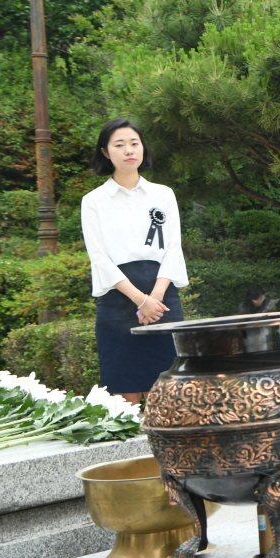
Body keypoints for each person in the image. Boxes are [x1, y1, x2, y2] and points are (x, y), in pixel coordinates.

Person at [81, 118, 188, 404]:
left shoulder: (163, 194)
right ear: (106, 152)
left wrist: (154, 297)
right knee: (123, 389)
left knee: (169, 391)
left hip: (162, 297)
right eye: (119, 145)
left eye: (134, 143)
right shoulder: (94, 201)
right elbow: (99, 258)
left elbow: (173, 248)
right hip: (118, 299)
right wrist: (141, 301)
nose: (129, 150)